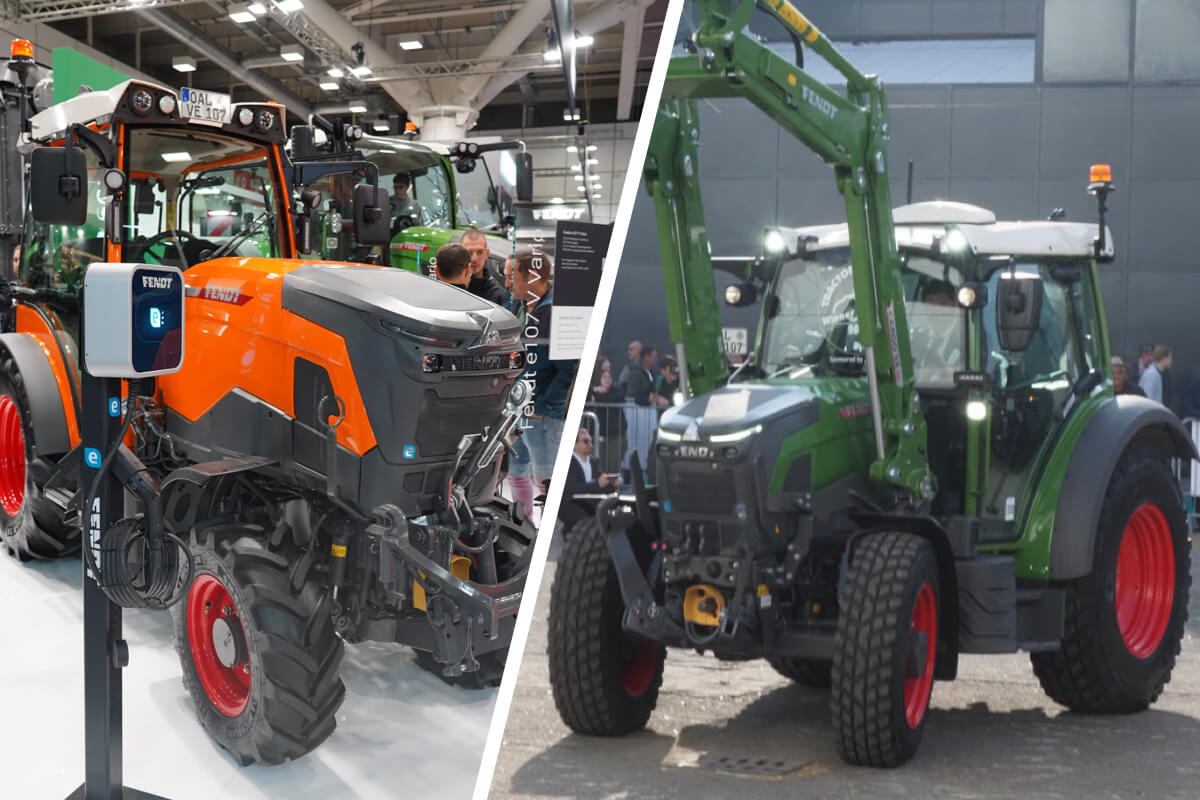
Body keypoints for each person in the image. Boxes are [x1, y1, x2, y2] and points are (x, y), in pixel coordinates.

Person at [506, 248, 573, 503]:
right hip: (522, 409)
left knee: (546, 482)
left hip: (543, 416)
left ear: (532, 276)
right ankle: (523, 528)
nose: (508, 283)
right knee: (516, 470)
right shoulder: (520, 306)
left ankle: (546, 535)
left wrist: (542, 406)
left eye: (513, 276)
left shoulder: (556, 313)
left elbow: (568, 369)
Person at [623, 345, 659, 479]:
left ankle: (644, 471)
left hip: (646, 415)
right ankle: (630, 473)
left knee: (646, 443)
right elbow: (632, 394)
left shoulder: (650, 372)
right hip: (636, 415)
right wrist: (647, 398)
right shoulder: (635, 372)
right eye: (654, 356)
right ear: (646, 356)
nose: (656, 359)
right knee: (634, 443)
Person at [460, 228, 510, 306]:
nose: (474, 259)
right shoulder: (449, 288)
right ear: (461, 253)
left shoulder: (499, 296)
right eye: (469, 252)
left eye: (480, 252)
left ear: (487, 254)